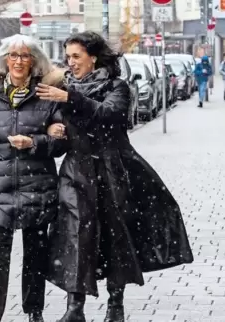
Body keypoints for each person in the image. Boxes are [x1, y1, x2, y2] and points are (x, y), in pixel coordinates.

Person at [36, 31, 194, 322]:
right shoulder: (64, 88)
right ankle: (75, 308)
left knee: (114, 235)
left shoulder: (116, 86)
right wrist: (52, 132)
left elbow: (109, 115)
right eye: (68, 57)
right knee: (76, 235)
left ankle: (115, 305)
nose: (70, 63)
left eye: (76, 56)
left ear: (93, 57)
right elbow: (60, 135)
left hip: (112, 168)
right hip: (75, 171)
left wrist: (70, 98)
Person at [0, 34, 68, 322]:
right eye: (13, 56)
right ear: (4, 60)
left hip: (38, 184)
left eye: (25, 56)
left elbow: (61, 143)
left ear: (34, 61)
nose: (19, 61)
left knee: (35, 253)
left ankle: (34, 311)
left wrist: (35, 143)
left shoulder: (47, 95)